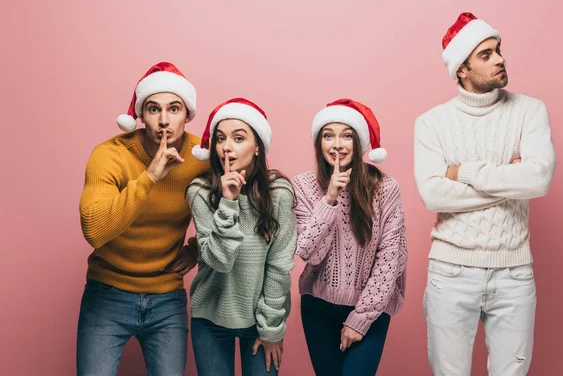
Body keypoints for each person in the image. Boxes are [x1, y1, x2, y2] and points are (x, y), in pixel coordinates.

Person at [414, 12, 557, 375]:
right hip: (450, 271)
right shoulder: (432, 123)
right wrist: (509, 180)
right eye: (486, 54)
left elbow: (538, 179)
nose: (499, 59)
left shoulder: (530, 111)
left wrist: (464, 172)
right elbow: (433, 195)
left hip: (514, 271)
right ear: (462, 69)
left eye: (498, 50)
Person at [77, 62, 208, 375]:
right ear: (140, 115)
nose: (164, 120)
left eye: (174, 109)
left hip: (167, 298)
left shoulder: (201, 157)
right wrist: (151, 176)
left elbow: (237, 212)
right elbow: (94, 230)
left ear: (188, 114)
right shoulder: (110, 155)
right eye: (153, 109)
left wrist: (196, 249)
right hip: (107, 293)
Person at [293, 98, 408, 376]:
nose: (337, 144)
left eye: (347, 136)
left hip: (370, 309)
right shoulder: (303, 186)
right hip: (319, 307)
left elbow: (391, 260)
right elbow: (309, 252)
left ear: (359, 144)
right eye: (328, 135)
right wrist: (330, 198)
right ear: (318, 143)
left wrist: (360, 319)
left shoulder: (385, 188)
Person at [186, 98, 296, 375]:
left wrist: (271, 328)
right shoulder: (199, 192)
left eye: (239, 138)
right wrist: (228, 202)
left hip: (260, 322)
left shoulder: (279, 192)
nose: (227, 146)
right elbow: (219, 261)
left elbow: (280, 264)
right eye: (221, 138)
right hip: (210, 316)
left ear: (257, 146)